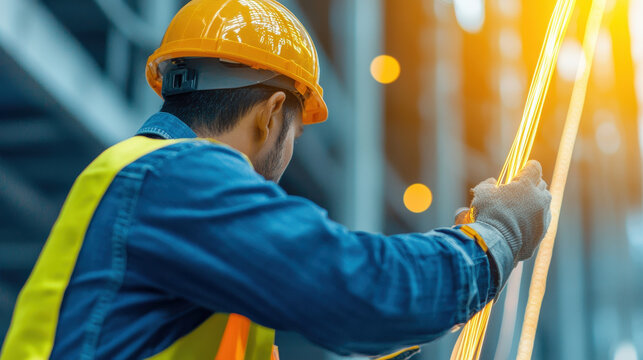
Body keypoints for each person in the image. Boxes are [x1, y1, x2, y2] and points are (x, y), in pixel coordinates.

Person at [0, 1, 552, 359]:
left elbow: (356, 308)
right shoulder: (180, 179)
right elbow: (362, 290)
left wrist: (392, 341)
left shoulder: (157, 190)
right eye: (296, 128)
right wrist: (495, 236)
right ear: (271, 114)